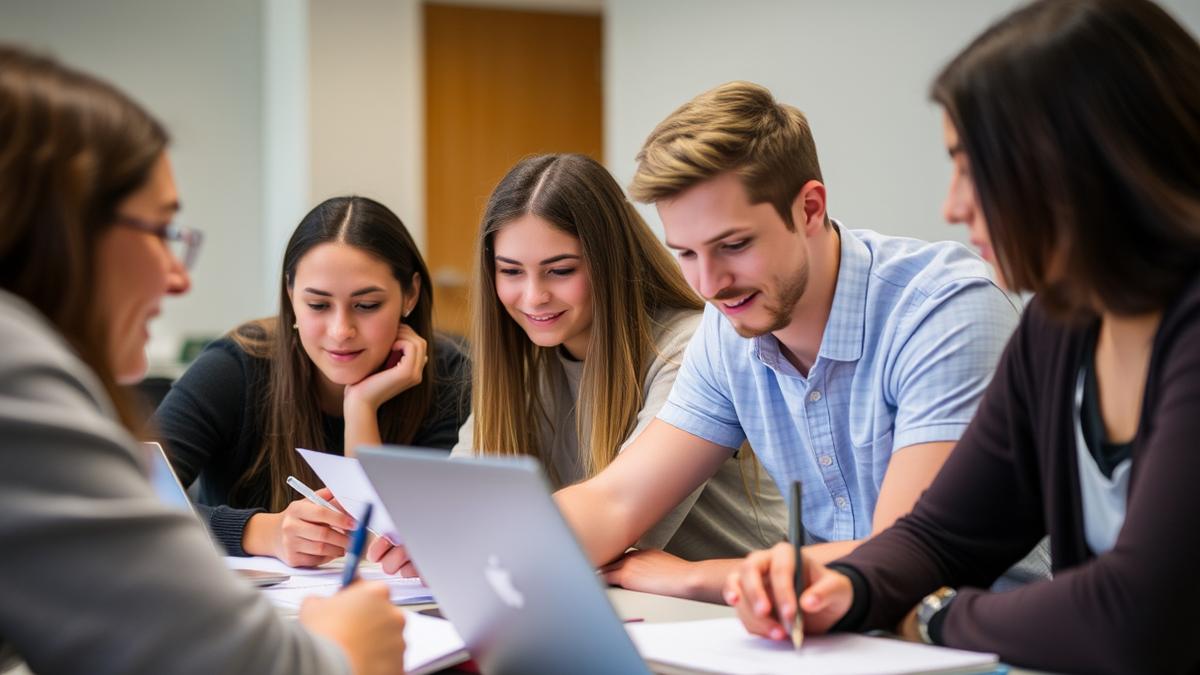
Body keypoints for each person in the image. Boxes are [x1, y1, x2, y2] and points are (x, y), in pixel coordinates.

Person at [725, 1, 1200, 672]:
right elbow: (944, 532)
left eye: (972, 167)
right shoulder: (1059, 327)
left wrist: (935, 614)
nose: (952, 204)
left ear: (1076, 164)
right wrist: (850, 585)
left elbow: (1138, 617)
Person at [0, 46, 405, 674]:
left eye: (367, 303)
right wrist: (343, 652)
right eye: (162, 231)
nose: (178, 278)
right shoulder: (16, 371)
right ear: (64, 231)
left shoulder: (448, 374)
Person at [552, 80, 1035, 601]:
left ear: (809, 208)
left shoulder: (943, 308)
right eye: (687, 254)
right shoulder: (730, 326)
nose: (710, 285)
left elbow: (909, 554)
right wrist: (500, 552)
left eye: (733, 245)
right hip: (829, 630)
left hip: (971, 638)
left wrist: (693, 576)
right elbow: (617, 501)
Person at [440, 153, 785, 600]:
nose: (532, 297)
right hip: (623, 602)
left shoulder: (690, 346)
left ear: (610, 262)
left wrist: (455, 538)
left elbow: (615, 528)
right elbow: (454, 499)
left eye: (561, 271)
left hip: (732, 611)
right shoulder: (521, 357)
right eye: (509, 271)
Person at [153, 195, 470, 567]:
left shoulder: (450, 378)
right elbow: (129, 497)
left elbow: (375, 547)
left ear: (410, 295)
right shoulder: (235, 366)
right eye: (318, 305)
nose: (340, 331)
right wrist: (262, 532)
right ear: (291, 295)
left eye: (367, 306)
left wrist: (361, 408)